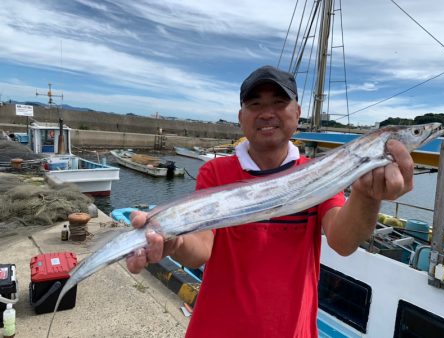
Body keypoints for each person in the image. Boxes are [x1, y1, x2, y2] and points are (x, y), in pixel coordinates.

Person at [126, 65, 413, 337]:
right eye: (255, 105)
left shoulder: (316, 173)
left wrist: (367, 196)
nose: (267, 113)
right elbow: (200, 248)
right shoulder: (215, 172)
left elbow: (342, 241)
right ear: (241, 117)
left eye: (278, 102)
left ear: (297, 113)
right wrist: (175, 241)